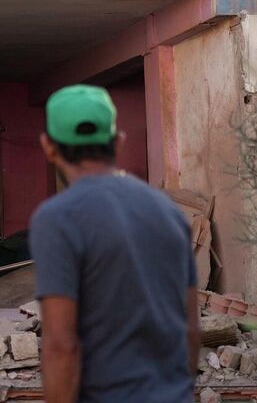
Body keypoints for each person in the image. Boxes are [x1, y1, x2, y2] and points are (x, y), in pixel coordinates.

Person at [29, 84, 199, 403]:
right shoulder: (170, 213)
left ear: (49, 147)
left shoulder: (58, 218)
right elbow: (190, 329)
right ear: (118, 142)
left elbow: (61, 345)